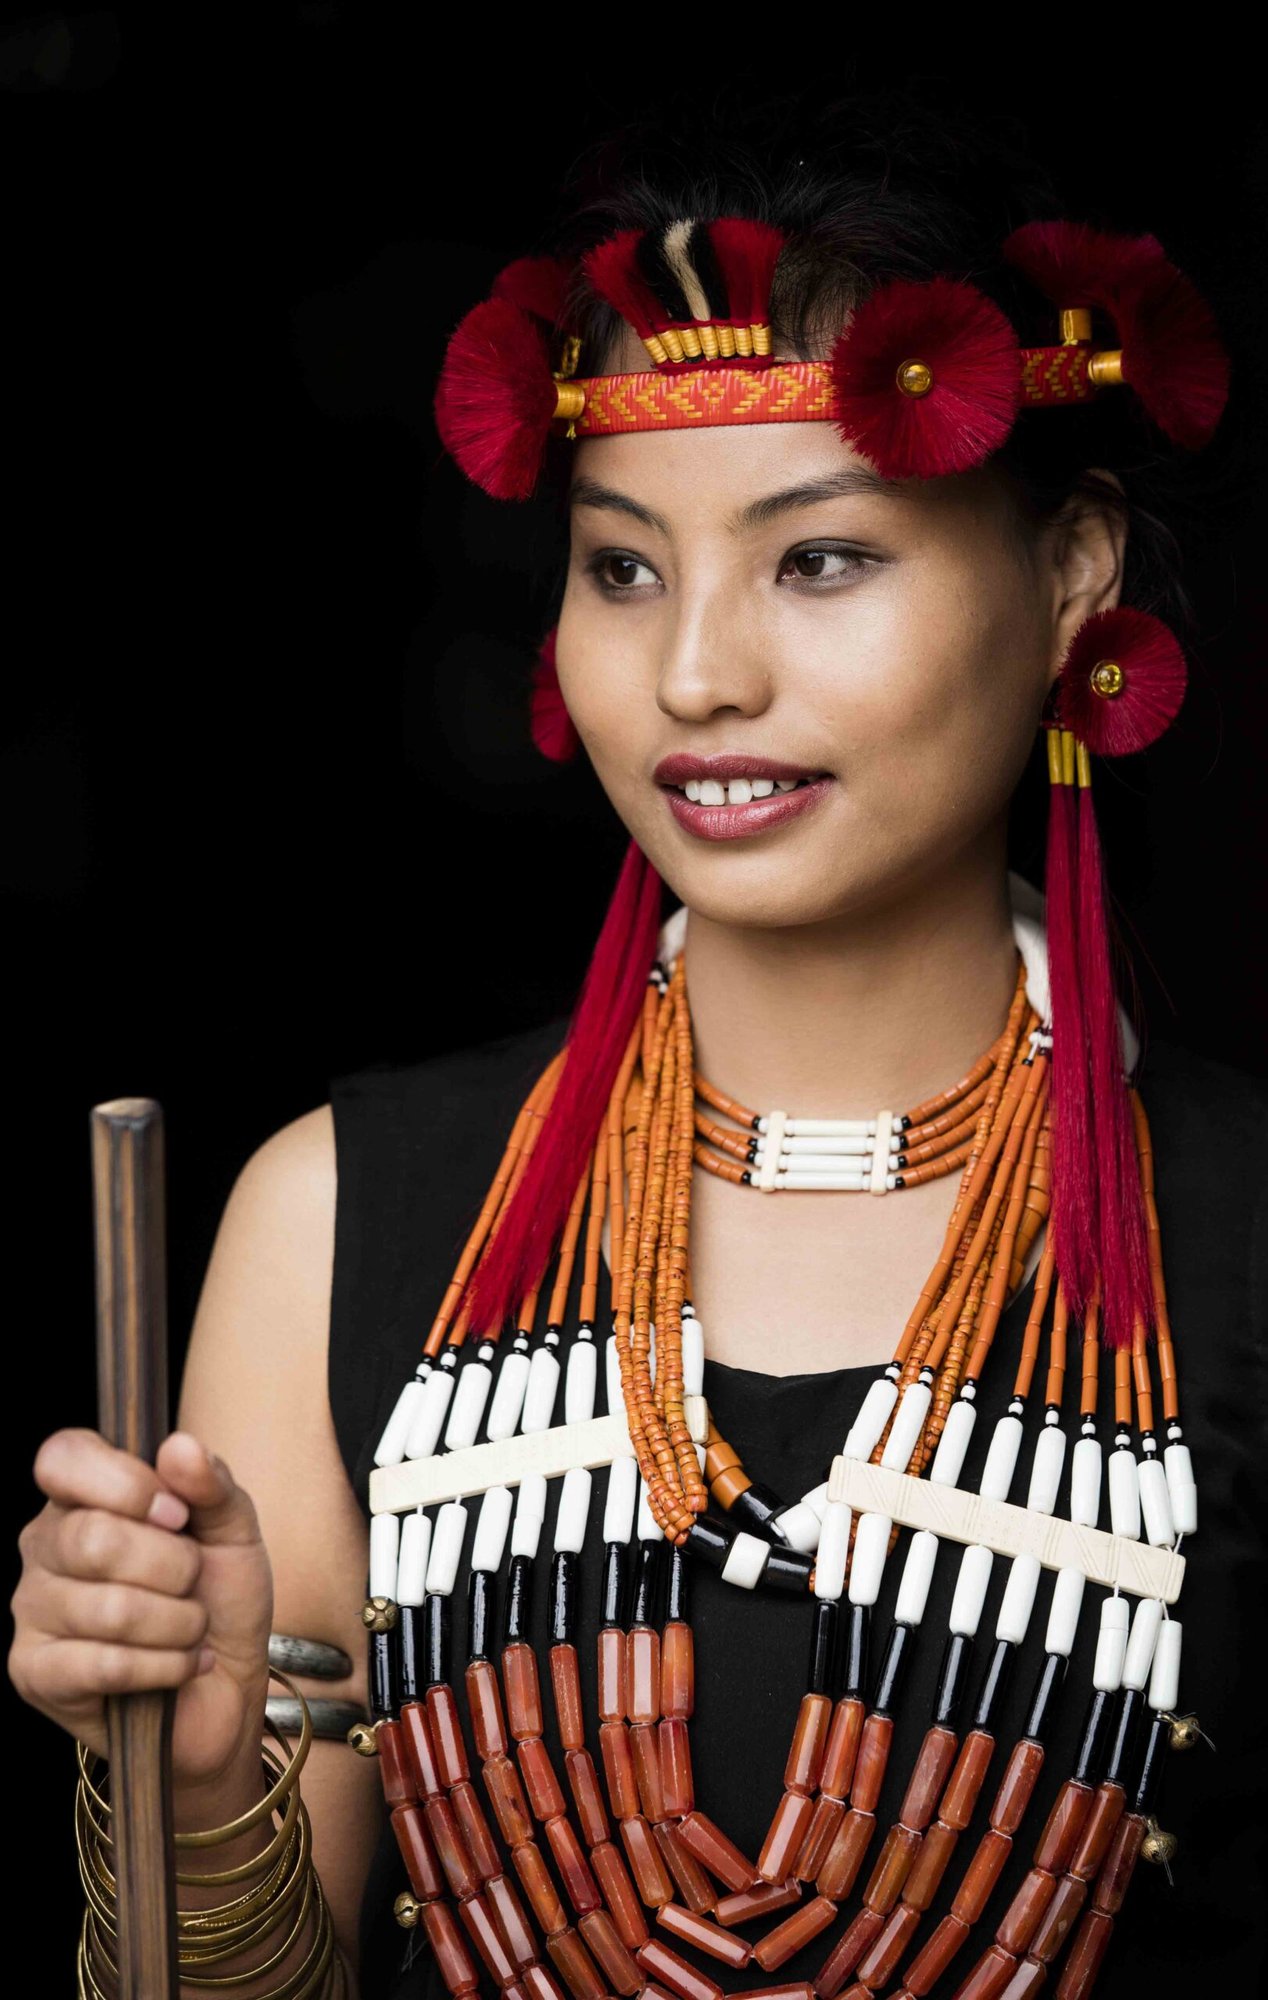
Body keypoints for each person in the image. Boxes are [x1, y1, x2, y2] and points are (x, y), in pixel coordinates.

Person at [9, 96, 1265, 2000]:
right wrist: (187, 1790)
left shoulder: (1249, 1226)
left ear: (1074, 577)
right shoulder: (340, 1218)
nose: (696, 676)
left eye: (820, 558)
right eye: (624, 567)